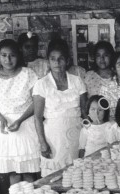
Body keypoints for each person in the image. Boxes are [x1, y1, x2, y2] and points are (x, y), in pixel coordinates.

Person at [0, 39, 41, 185]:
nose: (8, 59)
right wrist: (0, 118)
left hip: (26, 125)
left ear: (18, 55)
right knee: (13, 173)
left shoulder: (28, 74)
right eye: (3, 55)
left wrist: (20, 120)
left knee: (29, 172)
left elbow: (37, 102)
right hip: (5, 128)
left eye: (12, 55)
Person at [34, 38, 88, 177]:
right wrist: (42, 143)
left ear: (68, 61)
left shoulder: (77, 81)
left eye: (61, 59)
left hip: (76, 133)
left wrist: (89, 136)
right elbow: (37, 117)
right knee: (53, 177)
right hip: (53, 136)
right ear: (48, 61)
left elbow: (84, 112)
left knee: (76, 174)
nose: (57, 63)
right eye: (53, 59)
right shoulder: (42, 84)